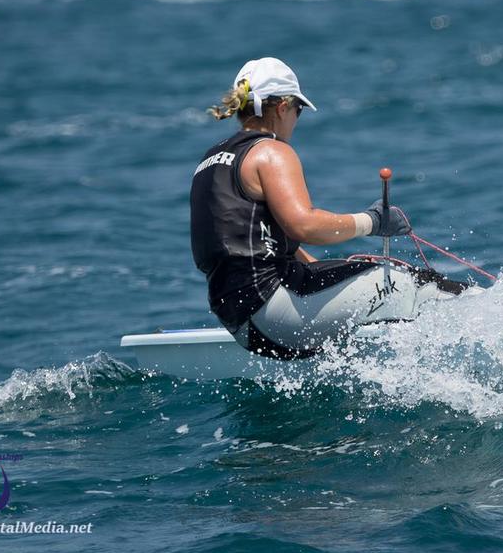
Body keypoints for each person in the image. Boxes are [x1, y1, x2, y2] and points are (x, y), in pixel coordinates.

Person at [190, 57, 457, 360]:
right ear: (282, 108)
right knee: (416, 283)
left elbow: (261, 247)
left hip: (240, 322)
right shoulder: (271, 151)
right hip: (277, 315)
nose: (297, 118)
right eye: (298, 109)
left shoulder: (210, 160)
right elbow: (303, 226)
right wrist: (372, 222)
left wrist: (340, 275)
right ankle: (500, 319)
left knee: (355, 275)